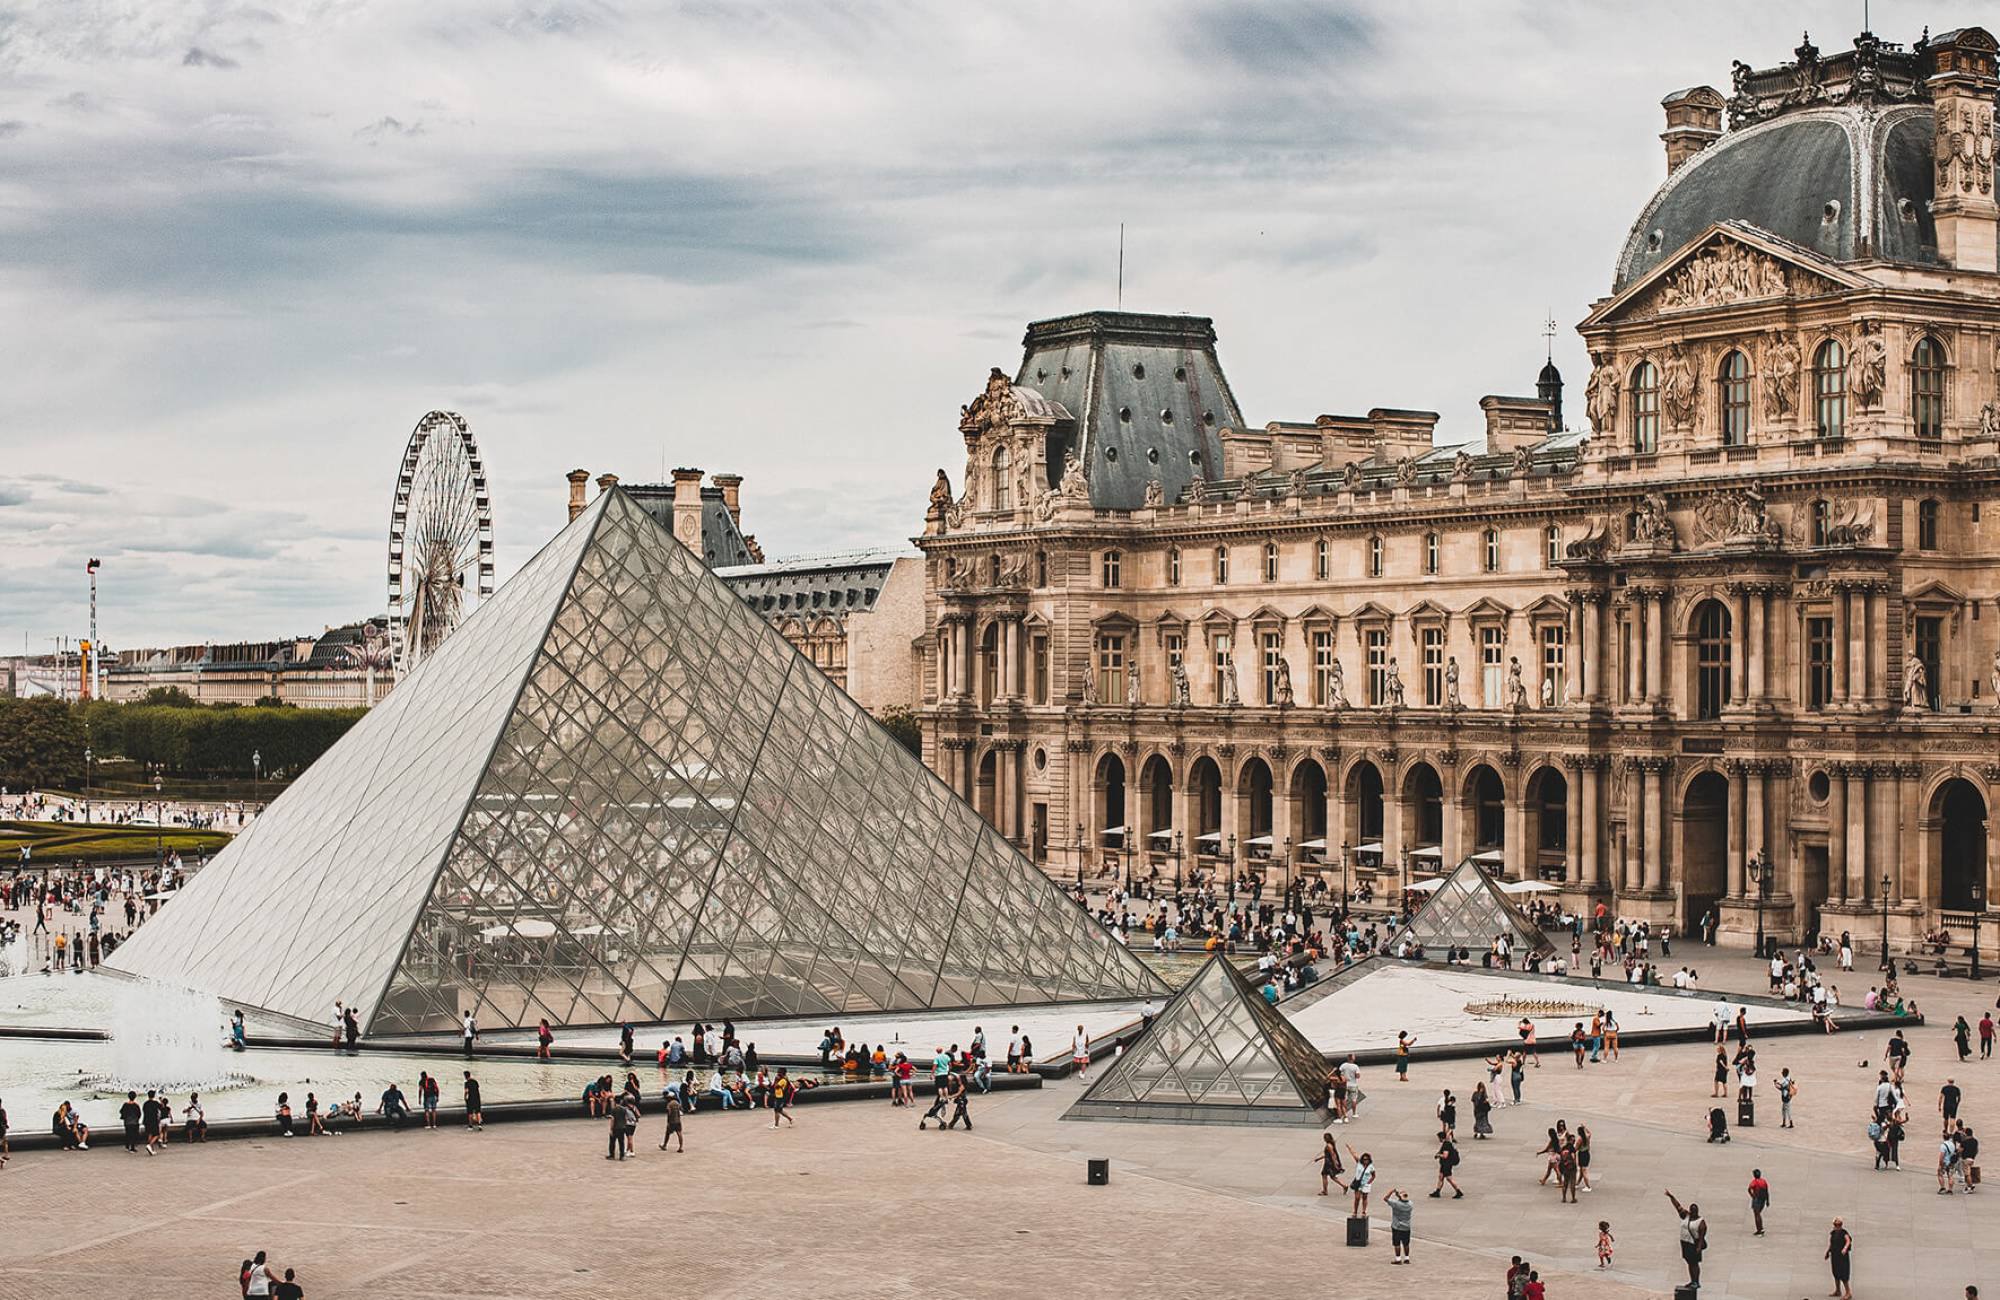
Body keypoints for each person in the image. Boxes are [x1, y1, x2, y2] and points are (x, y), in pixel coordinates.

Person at [1665, 1190, 1706, 1291]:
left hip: (1693, 1244)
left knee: (1694, 1263)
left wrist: (1699, 1247)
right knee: (1689, 1263)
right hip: (1685, 1243)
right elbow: (1677, 1206)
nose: (1693, 1212)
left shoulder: (1701, 1223)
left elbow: (1701, 1237)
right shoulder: (1686, 1216)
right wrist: (1671, 1197)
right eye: (1692, 1210)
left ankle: (1696, 1281)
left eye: (1695, 1210)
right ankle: (1692, 1280)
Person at [1826, 1217, 1853, 1299]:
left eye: (1839, 1224)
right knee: (1836, 1273)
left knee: (1843, 1274)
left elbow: (1848, 1241)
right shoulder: (1833, 1233)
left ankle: (1848, 1292)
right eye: (1836, 1224)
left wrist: (1845, 1248)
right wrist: (1827, 1252)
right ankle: (1838, 1290)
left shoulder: (1844, 1233)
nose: (1837, 1226)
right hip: (1835, 1256)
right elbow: (1830, 1243)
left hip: (1842, 1257)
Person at [1384, 1186, 1412, 1265]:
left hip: (1397, 1226)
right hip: (1407, 1226)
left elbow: (1385, 1199)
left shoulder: (1396, 1204)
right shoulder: (1410, 1204)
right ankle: (1407, 1258)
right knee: (1406, 1243)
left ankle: (1398, 1258)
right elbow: (1403, 1199)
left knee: (1397, 1243)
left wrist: (1391, 1192)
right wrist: (1398, 1195)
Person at [1345, 1147, 1375, 1216]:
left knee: (1364, 1197)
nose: (1365, 1161)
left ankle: (1364, 1211)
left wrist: (1369, 1182)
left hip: (1366, 1184)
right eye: (1364, 1159)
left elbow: (1373, 1175)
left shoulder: (1371, 1167)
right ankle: (1355, 1211)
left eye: (1367, 1159)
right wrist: (1350, 1148)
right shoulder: (1359, 1164)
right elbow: (1354, 1154)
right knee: (1357, 1198)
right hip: (1358, 1183)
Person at [1747, 1168, 1770, 1235]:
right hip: (1763, 1199)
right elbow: (1766, 1191)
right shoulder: (1764, 1181)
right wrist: (1767, 1200)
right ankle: (1760, 1229)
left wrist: (1752, 1196)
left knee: (1757, 1215)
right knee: (1758, 1214)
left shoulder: (1754, 1182)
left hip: (1757, 1199)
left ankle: (1760, 1229)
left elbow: (1749, 1189)